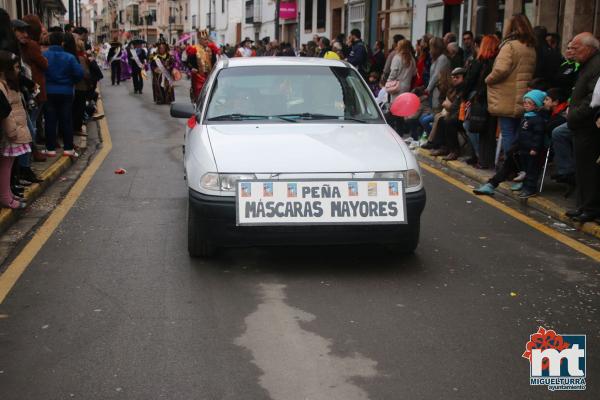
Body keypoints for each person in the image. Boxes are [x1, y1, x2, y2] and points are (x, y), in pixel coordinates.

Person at [473, 90, 548, 198]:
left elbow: (538, 135)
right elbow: (520, 134)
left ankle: (529, 188)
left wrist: (534, 148)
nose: (526, 105)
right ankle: (491, 184)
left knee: (531, 170)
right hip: (520, 149)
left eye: (529, 103)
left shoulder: (538, 120)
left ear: (537, 105)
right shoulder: (526, 116)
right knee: (509, 163)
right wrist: (514, 146)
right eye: (525, 102)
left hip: (531, 151)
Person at [485, 13, 537, 157]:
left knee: (507, 133)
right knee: (517, 132)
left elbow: (500, 69)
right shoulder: (530, 47)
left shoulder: (510, 46)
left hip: (507, 96)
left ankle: (510, 165)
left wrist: (488, 79)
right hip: (522, 95)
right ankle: (518, 165)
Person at [565, 32, 600, 222]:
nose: (573, 51)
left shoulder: (596, 64)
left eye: (576, 48)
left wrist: (575, 114)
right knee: (581, 166)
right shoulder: (587, 64)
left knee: (588, 168)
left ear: (589, 48)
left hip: (588, 124)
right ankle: (583, 205)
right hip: (580, 124)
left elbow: (593, 98)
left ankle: (590, 207)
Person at [43, 31, 83, 158]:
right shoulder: (69, 57)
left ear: (49, 42)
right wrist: (71, 82)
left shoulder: (44, 55)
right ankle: (68, 148)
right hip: (66, 92)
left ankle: (50, 149)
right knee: (66, 119)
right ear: (62, 42)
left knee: (50, 120)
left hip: (49, 91)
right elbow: (79, 73)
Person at [463, 34, 500, 168]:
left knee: (474, 127)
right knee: (486, 131)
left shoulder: (482, 61)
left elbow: (472, 80)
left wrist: (466, 96)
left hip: (482, 98)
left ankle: (481, 158)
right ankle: (481, 158)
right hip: (490, 98)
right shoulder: (494, 60)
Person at [0, 50, 29, 208]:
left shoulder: (7, 84)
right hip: (9, 133)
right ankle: (5, 196)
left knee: (8, 165)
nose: (19, 70)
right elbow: (7, 113)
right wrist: (12, 132)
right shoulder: (2, 86)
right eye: (16, 67)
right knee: (6, 165)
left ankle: (8, 193)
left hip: (12, 130)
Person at [429, 67, 467, 160]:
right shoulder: (454, 88)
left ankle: (455, 151)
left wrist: (450, 108)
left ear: (463, 78)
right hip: (454, 113)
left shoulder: (464, 88)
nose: (454, 79)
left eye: (457, 77)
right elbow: (447, 102)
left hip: (464, 116)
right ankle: (444, 147)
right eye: (453, 77)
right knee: (442, 120)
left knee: (449, 121)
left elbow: (457, 106)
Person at [425, 37, 450, 110]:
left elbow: (436, 74)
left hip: (439, 89)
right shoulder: (437, 58)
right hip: (435, 89)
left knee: (436, 109)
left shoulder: (442, 58)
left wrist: (428, 88)